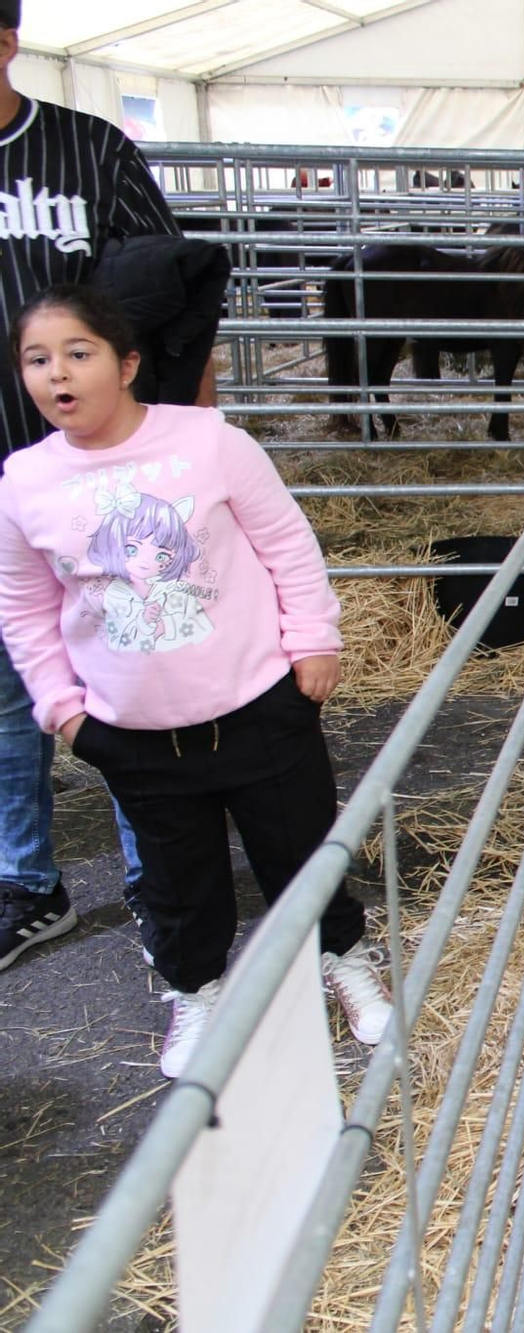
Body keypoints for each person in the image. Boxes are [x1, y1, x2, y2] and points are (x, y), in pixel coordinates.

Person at [0, 285, 394, 1077]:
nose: (58, 375)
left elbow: (287, 541)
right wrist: (65, 711)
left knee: (299, 847)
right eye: (37, 360)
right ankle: (197, 987)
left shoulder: (210, 443)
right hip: (134, 732)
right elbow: (25, 608)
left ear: (128, 362)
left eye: (79, 353)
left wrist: (313, 641)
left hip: (257, 708)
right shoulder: (23, 481)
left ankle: (340, 957)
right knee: (179, 882)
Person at [0, 0, 202, 971]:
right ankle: (26, 881)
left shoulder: (89, 152)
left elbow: (170, 291)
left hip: (98, 479)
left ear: (7, 40)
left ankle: (150, 879)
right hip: (9, 481)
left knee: (123, 673)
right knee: (8, 686)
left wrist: (191, 437)